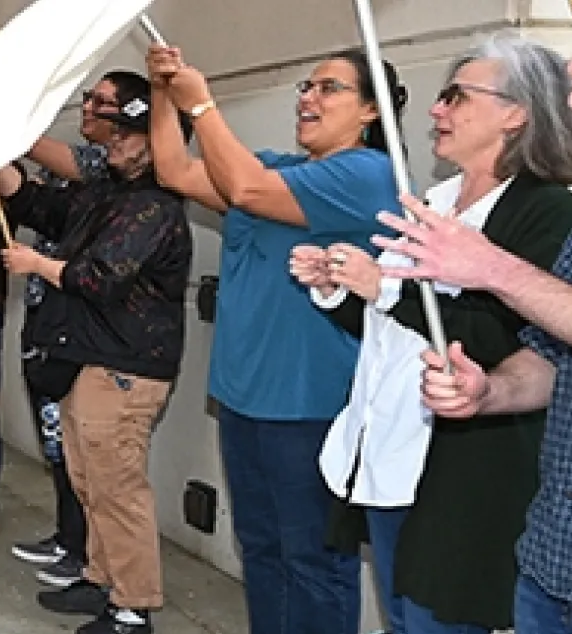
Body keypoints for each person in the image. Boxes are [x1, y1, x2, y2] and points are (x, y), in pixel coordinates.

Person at [289, 33, 572, 634]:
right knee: (403, 617)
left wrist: (388, 288)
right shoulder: (435, 200)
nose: (436, 109)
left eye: (457, 96)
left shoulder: (548, 211)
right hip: (387, 450)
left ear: (516, 113)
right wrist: (344, 287)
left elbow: (516, 340)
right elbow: (397, 332)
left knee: (433, 621)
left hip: (454, 470)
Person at [146, 44, 406, 634]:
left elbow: (244, 191)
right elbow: (174, 170)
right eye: (306, 87)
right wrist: (164, 91)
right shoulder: (277, 171)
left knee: (314, 561)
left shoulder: (367, 174)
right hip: (244, 399)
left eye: (330, 88)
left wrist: (203, 103)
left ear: (370, 112)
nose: (309, 98)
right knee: (261, 550)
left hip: (308, 404)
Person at [383, 52, 572, 634]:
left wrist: (496, 271)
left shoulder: (550, 209)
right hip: (556, 562)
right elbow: (555, 354)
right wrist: (492, 391)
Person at [0, 83, 195, 634]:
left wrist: (35, 265)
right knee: (91, 479)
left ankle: (132, 607)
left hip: (126, 368)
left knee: (119, 488)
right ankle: (102, 580)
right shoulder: (109, 191)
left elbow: (98, 277)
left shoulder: (155, 206)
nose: (114, 143)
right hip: (94, 360)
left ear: (156, 143)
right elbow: (40, 205)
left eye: (127, 135)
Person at [6, 70, 133, 588]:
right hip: (49, 323)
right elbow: (32, 200)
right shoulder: (79, 183)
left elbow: (57, 160)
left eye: (103, 103)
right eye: (89, 98)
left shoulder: (111, 173)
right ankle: (68, 538)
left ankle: (88, 556)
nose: (90, 108)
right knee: (58, 443)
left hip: (90, 335)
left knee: (88, 456)